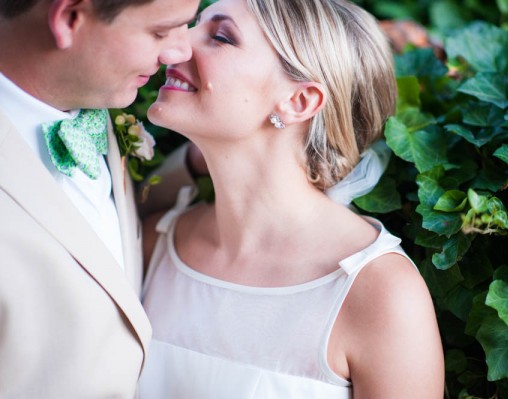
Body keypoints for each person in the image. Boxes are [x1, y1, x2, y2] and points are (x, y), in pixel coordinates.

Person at [138, 0, 445, 397]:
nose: (174, 46)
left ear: (298, 102)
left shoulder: (379, 293)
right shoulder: (155, 242)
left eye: (220, 36)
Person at [0, 0, 201, 397]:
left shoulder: (93, 95)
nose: (182, 51)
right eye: (161, 32)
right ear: (69, 19)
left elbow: (85, 242)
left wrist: (195, 166)